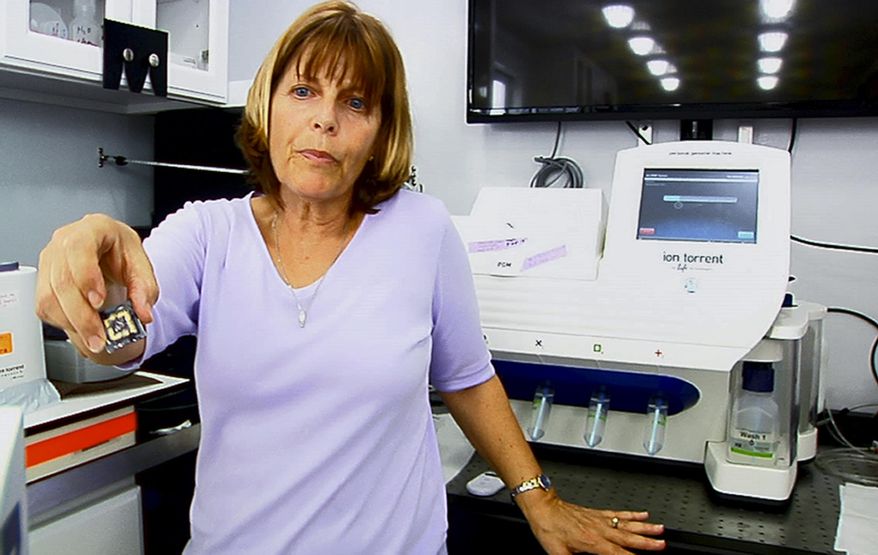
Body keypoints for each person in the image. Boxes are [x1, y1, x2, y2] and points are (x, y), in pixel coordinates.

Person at [35, 2, 666, 554]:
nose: (325, 120)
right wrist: (99, 293)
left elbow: (469, 379)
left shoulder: (424, 230)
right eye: (304, 91)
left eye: (356, 102)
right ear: (269, 104)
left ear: (379, 132)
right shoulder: (206, 234)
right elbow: (122, 343)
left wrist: (539, 500)